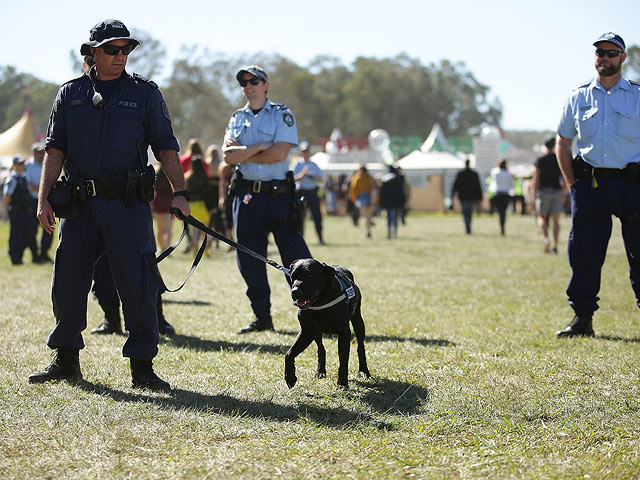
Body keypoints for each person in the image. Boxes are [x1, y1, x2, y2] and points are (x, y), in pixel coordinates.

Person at [28, 19, 190, 391]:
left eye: (126, 49)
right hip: (80, 205)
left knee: (138, 282)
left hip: (127, 204)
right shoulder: (70, 94)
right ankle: (66, 360)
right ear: (93, 52)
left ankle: (142, 368)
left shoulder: (146, 94)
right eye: (113, 49)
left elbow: (165, 146)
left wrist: (180, 193)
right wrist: (43, 198)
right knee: (68, 282)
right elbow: (55, 150)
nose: (121, 56)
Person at [555, 32, 640, 338]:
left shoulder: (637, 94)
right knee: (585, 253)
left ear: (623, 58)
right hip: (590, 186)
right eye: (600, 53)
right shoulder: (578, 97)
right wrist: (572, 186)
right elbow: (563, 143)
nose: (605, 58)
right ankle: (582, 319)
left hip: (633, 186)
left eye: (611, 53)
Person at [223, 65, 312, 334]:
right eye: (244, 82)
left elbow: (279, 154)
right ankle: (262, 317)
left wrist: (245, 152)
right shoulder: (237, 118)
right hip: (247, 197)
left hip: (279, 197)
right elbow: (227, 157)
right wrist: (261, 146)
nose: (249, 86)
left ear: (266, 85)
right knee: (250, 260)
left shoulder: (281, 114)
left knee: (296, 259)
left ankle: (312, 313)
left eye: (254, 81)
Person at [4, 156, 40, 265]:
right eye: (20, 164)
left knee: (29, 234)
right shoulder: (12, 179)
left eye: (23, 164)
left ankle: (32, 256)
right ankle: (16, 258)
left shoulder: (24, 178)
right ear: (14, 165)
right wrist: (7, 213)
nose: (22, 166)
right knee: (16, 236)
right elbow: (7, 198)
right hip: (17, 213)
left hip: (26, 212)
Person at [532, 137, 565, 253]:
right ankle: (555, 245)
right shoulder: (558, 159)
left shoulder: (540, 160)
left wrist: (533, 195)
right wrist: (564, 193)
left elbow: (536, 178)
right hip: (557, 191)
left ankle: (546, 238)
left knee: (542, 217)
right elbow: (564, 178)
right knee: (556, 220)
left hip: (543, 191)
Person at [25, 142, 53, 262]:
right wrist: (44, 187)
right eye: (38, 152)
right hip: (32, 201)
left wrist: (41, 188)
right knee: (32, 229)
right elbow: (29, 186)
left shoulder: (46, 165)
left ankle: (44, 252)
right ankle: (34, 254)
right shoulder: (28, 166)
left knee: (48, 228)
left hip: (47, 200)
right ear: (33, 153)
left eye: (42, 152)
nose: (40, 154)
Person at [293, 141, 325, 244]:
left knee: (317, 216)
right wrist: (302, 174)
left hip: (312, 192)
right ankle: (300, 238)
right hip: (301, 192)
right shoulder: (297, 164)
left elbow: (320, 179)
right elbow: (292, 179)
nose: (305, 153)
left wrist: (311, 175)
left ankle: (320, 237)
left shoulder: (314, 165)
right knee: (299, 217)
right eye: (303, 151)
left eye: (306, 151)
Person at [451, 158, 483, 234]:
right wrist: (479, 197)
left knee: (465, 211)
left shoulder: (461, 174)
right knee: (469, 211)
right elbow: (478, 187)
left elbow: (455, 185)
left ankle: (467, 227)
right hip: (471, 197)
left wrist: (452, 195)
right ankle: (468, 227)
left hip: (463, 196)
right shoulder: (474, 174)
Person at [378, 165, 405, 238]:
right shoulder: (398, 179)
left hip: (388, 202)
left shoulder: (385, 179)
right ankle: (394, 232)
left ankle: (389, 231)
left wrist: (382, 202)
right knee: (395, 217)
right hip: (396, 201)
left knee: (389, 217)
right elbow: (401, 191)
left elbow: (382, 192)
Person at [488, 159, 514, 235]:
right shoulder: (507, 174)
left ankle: (501, 225)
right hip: (505, 194)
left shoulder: (495, 172)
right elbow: (511, 185)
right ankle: (502, 226)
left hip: (498, 193)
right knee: (503, 212)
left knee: (500, 211)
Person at [350, 164, 375, 237]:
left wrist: (354, 198)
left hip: (361, 197)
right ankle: (368, 229)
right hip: (370, 196)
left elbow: (353, 188)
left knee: (364, 215)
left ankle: (367, 230)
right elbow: (375, 186)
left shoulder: (358, 177)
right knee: (369, 215)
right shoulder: (370, 177)